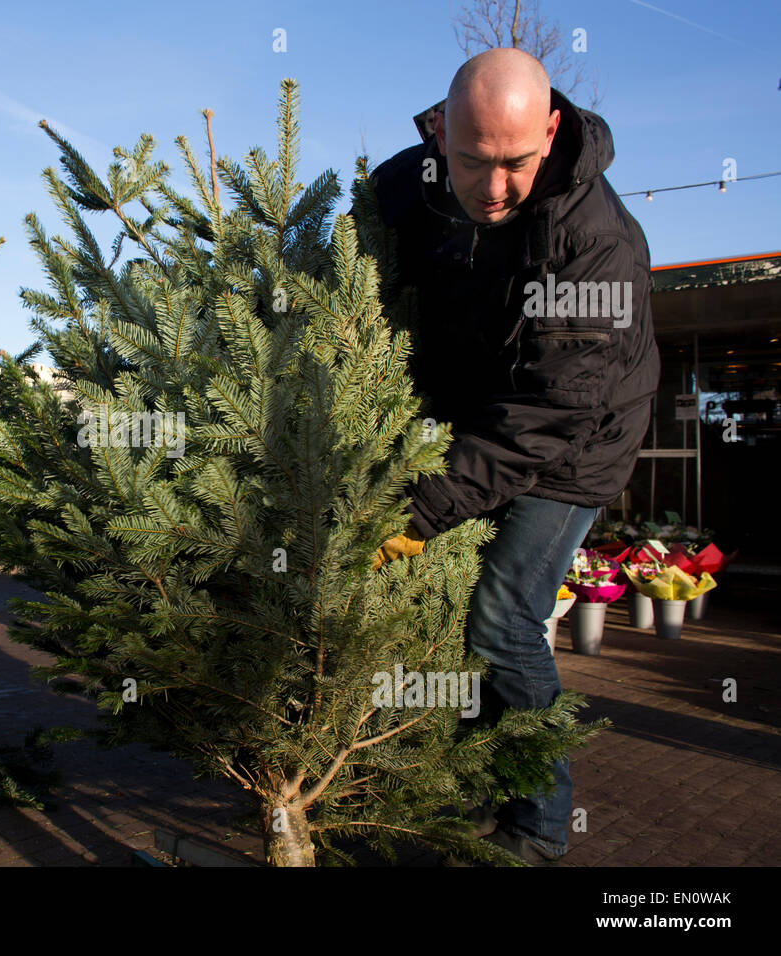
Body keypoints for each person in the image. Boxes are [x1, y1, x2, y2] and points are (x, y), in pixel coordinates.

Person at [367, 48, 661, 863]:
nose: (493, 191)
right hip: (475, 421)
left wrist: (423, 508)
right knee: (449, 617)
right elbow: (360, 255)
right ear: (441, 139)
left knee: (502, 617)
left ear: (552, 131)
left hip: (575, 443)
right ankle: (462, 782)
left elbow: (547, 413)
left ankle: (538, 827)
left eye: (516, 164)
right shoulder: (410, 183)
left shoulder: (591, 243)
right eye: (471, 163)